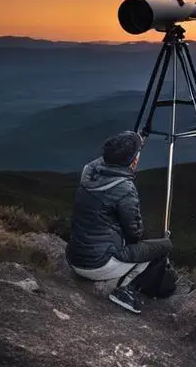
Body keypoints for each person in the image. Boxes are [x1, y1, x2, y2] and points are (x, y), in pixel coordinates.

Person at [66, 130, 174, 313]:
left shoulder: (88, 173)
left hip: (73, 258)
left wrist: (133, 140)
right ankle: (125, 290)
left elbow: (103, 159)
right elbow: (135, 234)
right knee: (163, 245)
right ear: (134, 161)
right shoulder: (124, 187)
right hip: (99, 264)